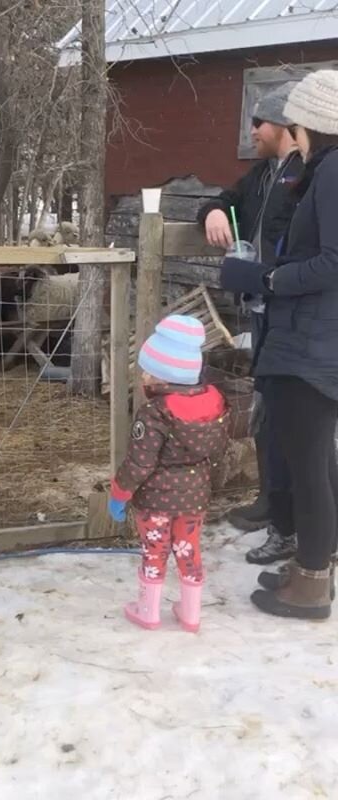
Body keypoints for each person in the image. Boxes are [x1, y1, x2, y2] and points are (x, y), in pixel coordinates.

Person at [221, 70, 338, 620]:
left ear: (308, 124)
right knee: (315, 460)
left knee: (310, 465)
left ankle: (312, 583)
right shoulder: (323, 172)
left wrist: (269, 280)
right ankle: (312, 567)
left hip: (312, 345)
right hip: (311, 339)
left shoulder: (334, 171)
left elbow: (335, 261)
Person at [198, 84, 303, 566]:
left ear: (282, 124)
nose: (252, 130)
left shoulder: (309, 174)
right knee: (265, 402)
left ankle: (299, 519)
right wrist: (215, 211)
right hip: (263, 311)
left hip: (294, 313)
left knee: (295, 414)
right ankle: (270, 500)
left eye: (258, 122)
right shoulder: (263, 174)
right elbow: (224, 198)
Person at [108, 315, 229, 632]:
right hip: (194, 499)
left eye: (148, 371)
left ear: (163, 377)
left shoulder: (155, 413)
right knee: (189, 551)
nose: (143, 377)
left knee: (154, 551)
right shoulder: (214, 406)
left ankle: (148, 611)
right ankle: (190, 615)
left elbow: (140, 463)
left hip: (155, 503)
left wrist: (120, 493)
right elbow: (217, 453)